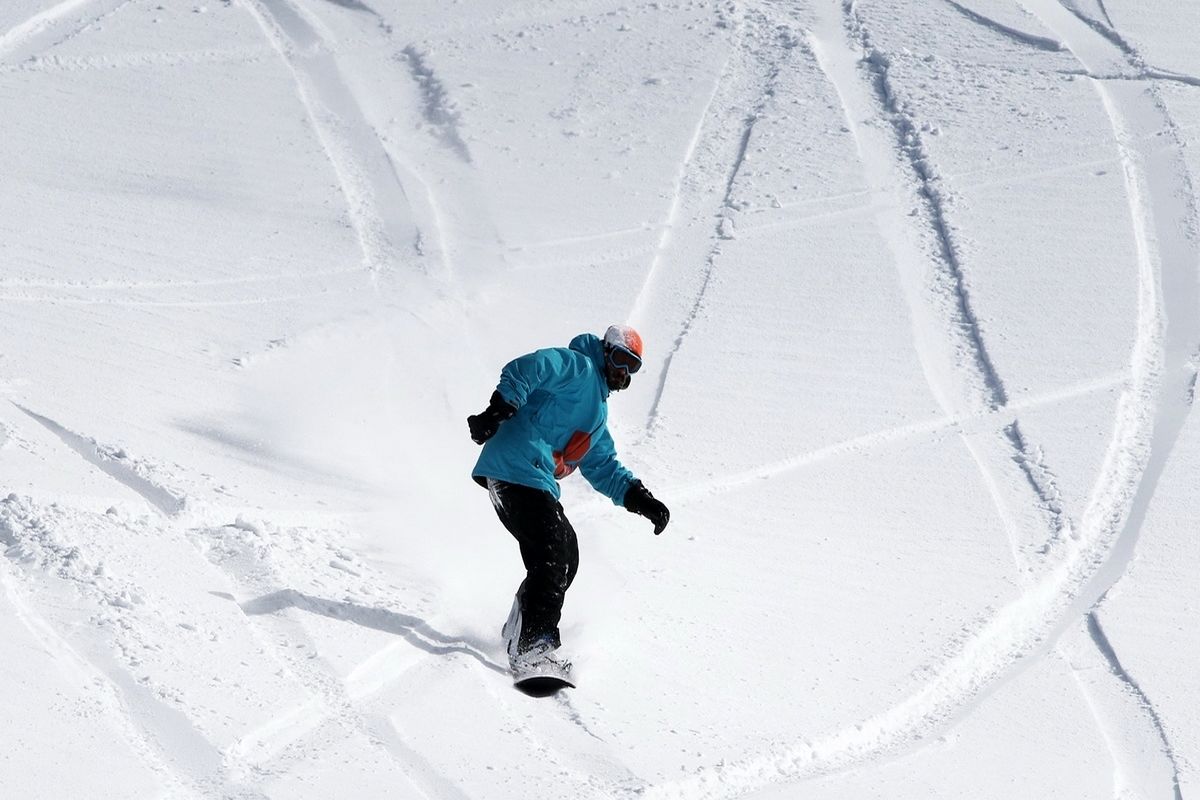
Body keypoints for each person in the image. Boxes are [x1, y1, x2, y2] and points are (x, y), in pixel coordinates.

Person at [467, 324, 670, 675]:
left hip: (532, 480)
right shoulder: (578, 367)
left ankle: (519, 627)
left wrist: (641, 499)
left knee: (566, 556)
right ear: (605, 351)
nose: (623, 371)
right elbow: (530, 367)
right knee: (551, 555)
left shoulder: (596, 415)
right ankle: (533, 648)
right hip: (516, 469)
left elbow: (603, 465)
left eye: (632, 367)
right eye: (620, 359)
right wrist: (498, 409)